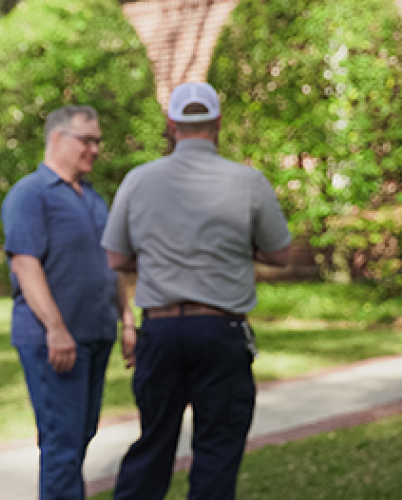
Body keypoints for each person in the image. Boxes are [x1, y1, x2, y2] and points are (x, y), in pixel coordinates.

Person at [101, 82, 292, 500]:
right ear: (217, 123)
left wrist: (157, 258)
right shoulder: (248, 181)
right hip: (220, 331)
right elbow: (281, 254)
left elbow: (115, 258)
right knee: (218, 449)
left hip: (160, 331)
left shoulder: (138, 180)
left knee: (153, 443)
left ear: (171, 124)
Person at [1, 105, 136, 499]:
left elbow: (112, 266)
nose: (95, 149)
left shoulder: (93, 198)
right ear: (57, 139)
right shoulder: (30, 195)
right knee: (62, 443)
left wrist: (127, 322)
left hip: (96, 335)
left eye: (98, 141)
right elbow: (26, 267)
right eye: (87, 140)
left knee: (80, 437)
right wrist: (56, 330)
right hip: (54, 342)